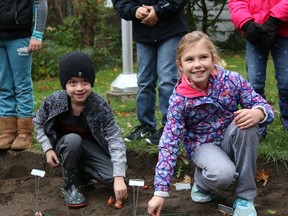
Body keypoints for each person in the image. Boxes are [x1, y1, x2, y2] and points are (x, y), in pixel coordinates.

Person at [147, 31, 274, 216]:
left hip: (231, 137)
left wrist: (259, 112)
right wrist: (160, 191)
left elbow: (262, 105)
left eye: (203, 57)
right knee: (223, 175)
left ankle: (245, 198)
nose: (197, 65)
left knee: (249, 124)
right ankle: (201, 182)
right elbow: (169, 142)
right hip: (202, 145)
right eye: (189, 59)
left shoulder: (231, 80)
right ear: (180, 65)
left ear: (213, 58)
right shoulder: (179, 99)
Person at [33, 52, 128, 207]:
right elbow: (38, 123)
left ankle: (82, 176)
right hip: (65, 146)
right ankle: (71, 186)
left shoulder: (99, 106)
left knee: (113, 177)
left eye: (85, 82)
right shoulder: (54, 101)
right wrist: (47, 148)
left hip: (88, 149)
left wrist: (118, 177)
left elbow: (114, 138)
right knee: (73, 139)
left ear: (91, 83)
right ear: (65, 85)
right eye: (72, 83)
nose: (79, 88)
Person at [112, 0, 188, 145]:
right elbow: (120, 2)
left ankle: (170, 128)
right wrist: (134, 10)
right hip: (143, 32)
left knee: (167, 79)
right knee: (144, 81)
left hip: (170, 28)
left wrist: (158, 10)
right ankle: (146, 126)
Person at [228, 0, 288, 139]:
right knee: (254, 84)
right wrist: (246, 23)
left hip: (284, 30)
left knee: (286, 82)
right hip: (255, 32)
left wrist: (274, 19)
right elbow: (236, 2)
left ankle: (287, 117)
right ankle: (258, 124)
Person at [0, 0, 48, 150]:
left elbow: (40, 3)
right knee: (2, 85)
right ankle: (7, 132)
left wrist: (37, 34)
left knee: (22, 86)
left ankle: (25, 133)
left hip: (20, 37)